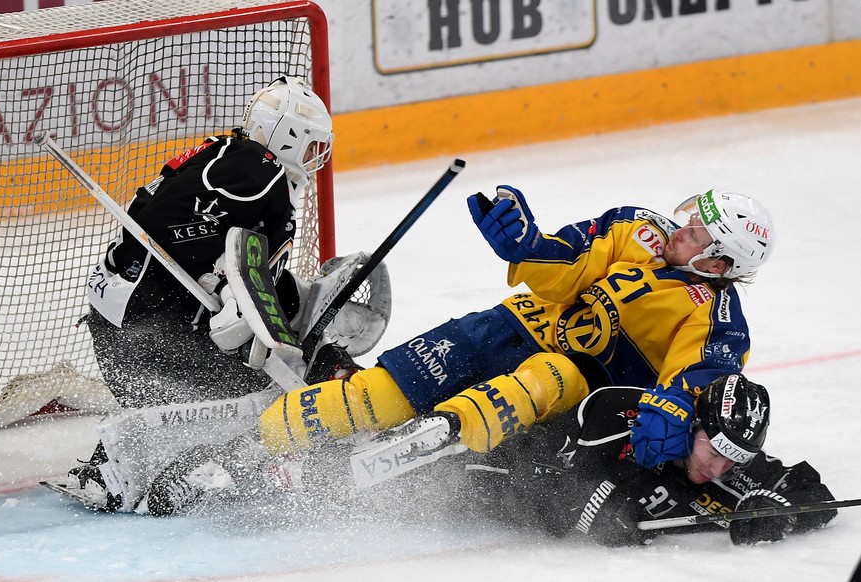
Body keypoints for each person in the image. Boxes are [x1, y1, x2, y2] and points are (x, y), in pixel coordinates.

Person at [253, 185, 776, 469]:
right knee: (389, 386)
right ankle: (253, 446)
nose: (680, 229)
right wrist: (527, 246)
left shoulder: (716, 316)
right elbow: (571, 260)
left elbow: (699, 376)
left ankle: (442, 433)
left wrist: (674, 409)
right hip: (513, 325)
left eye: (695, 233)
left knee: (548, 375)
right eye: (689, 220)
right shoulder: (635, 227)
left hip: (581, 385)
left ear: (718, 262)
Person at [47, 77, 381, 511]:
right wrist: (217, 273)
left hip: (122, 335)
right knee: (268, 397)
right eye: (313, 145)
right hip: (146, 337)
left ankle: (108, 469)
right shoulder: (257, 169)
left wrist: (222, 273)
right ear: (287, 135)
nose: (317, 158)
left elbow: (228, 254)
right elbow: (168, 228)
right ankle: (199, 473)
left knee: (229, 389)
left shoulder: (231, 157)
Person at [427, 373, 838, 546]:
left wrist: (780, 512)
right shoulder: (629, 419)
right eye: (713, 453)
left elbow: (815, 495)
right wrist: (594, 509)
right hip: (468, 471)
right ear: (695, 424)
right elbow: (539, 483)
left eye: (732, 463)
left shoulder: (731, 459)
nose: (717, 470)